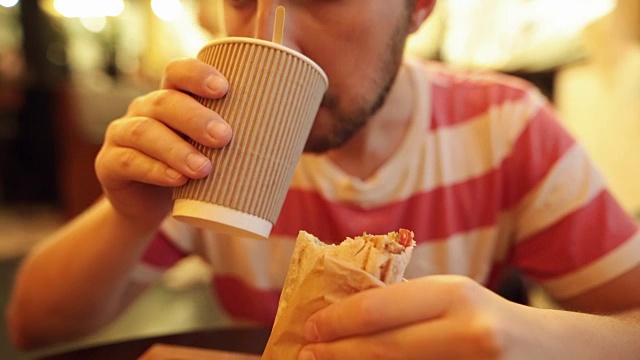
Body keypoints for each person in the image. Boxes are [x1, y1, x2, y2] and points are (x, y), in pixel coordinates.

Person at [7, 0, 640, 358]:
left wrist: (538, 338)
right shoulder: (215, 145)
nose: (272, 32)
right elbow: (33, 324)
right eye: (244, 0)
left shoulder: (506, 129)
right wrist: (131, 217)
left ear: (418, 8)